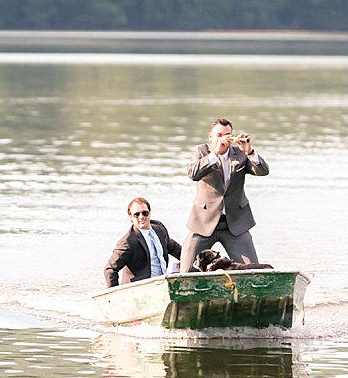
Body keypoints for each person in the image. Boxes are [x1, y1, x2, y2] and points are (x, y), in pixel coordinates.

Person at [180, 117, 268, 271]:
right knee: (186, 271)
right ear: (210, 136)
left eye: (227, 134)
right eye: (219, 135)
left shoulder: (240, 155)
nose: (223, 138)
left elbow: (263, 171)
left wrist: (249, 152)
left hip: (235, 224)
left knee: (254, 272)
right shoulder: (201, 151)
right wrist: (215, 154)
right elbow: (193, 174)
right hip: (204, 222)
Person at [104, 196, 182, 288]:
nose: (141, 217)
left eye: (145, 213)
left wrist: (196, 263)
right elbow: (110, 269)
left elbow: (175, 249)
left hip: (162, 284)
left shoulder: (159, 228)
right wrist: (115, 295)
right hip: (140, 289)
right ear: (131, 217)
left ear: (150, 213)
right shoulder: (127, 241)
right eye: (137, 214)